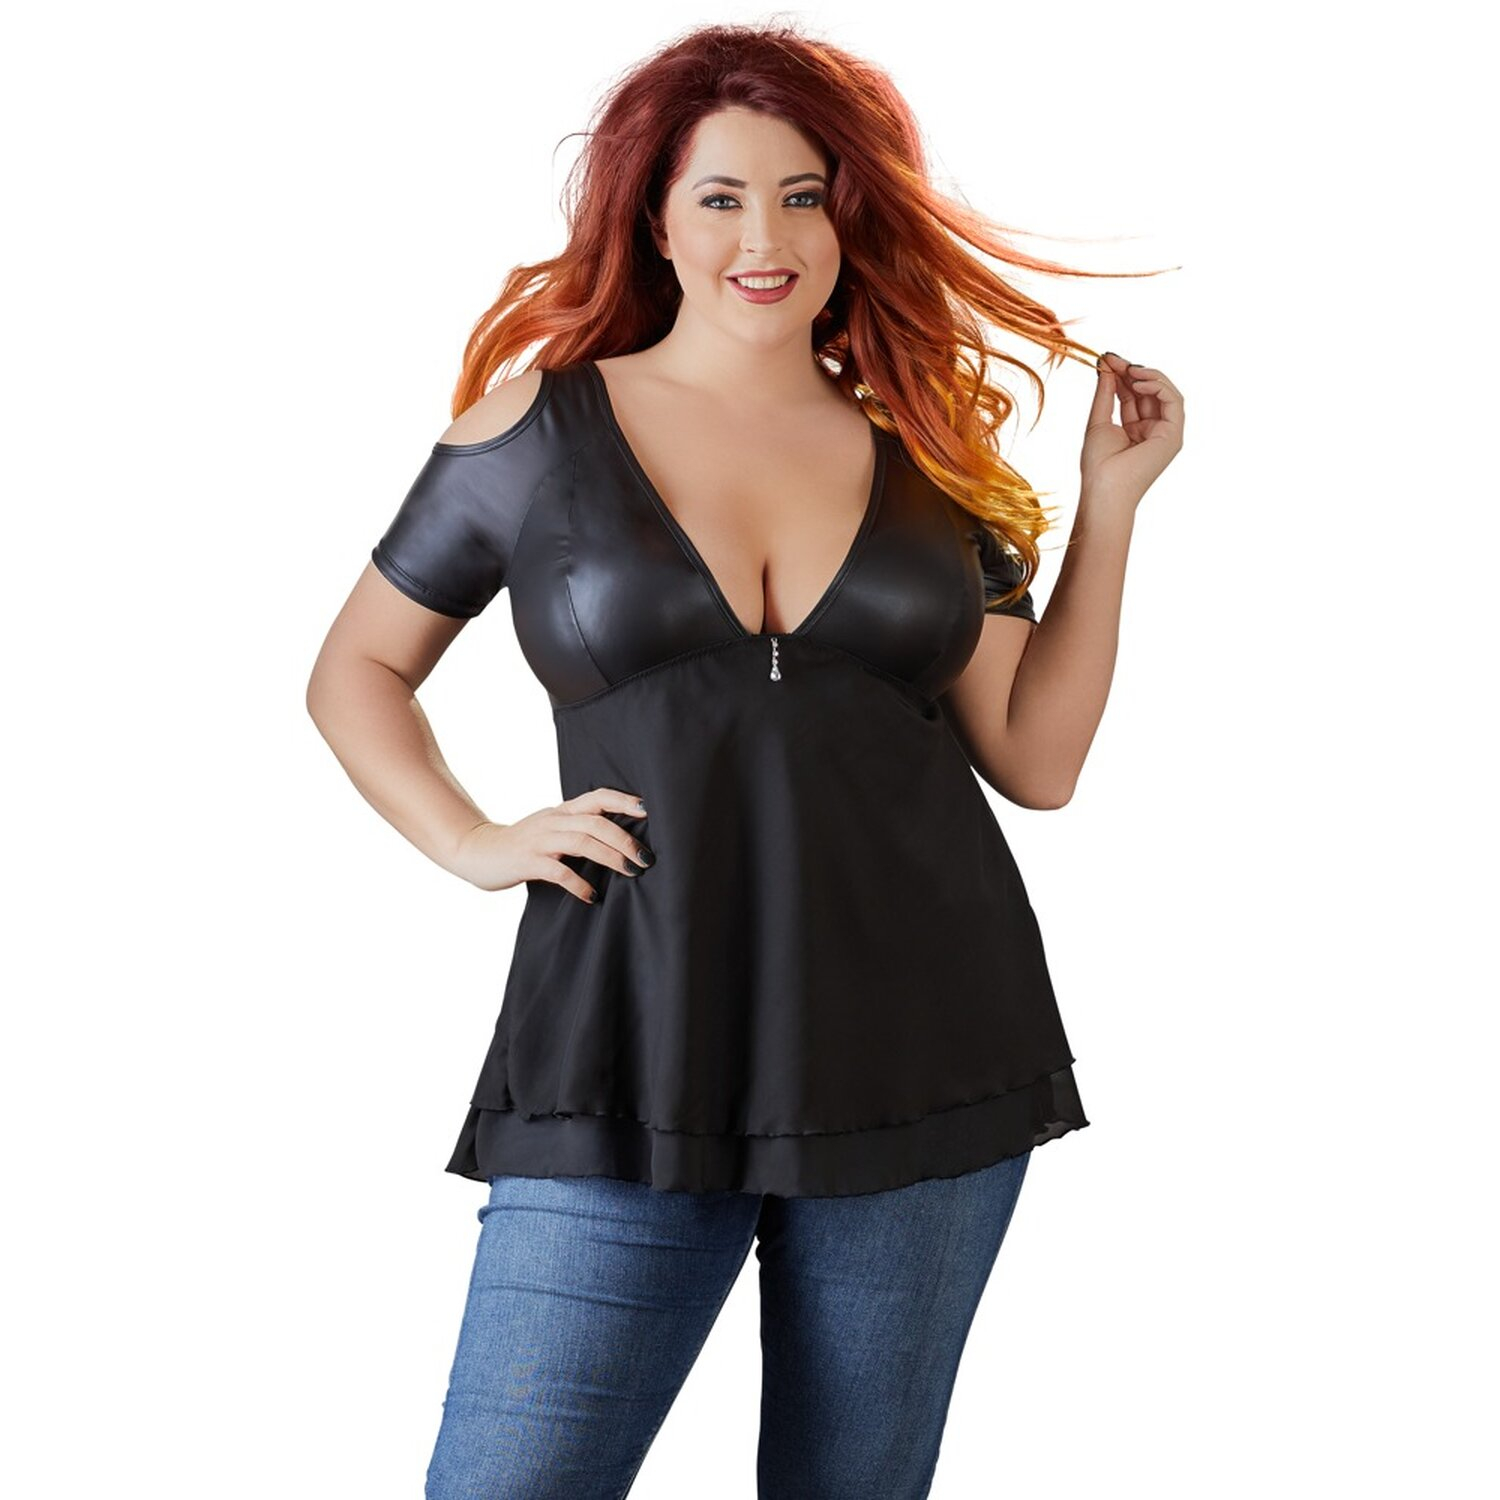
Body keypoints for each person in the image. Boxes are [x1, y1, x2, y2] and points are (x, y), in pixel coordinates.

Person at [306, 20, 1183, 1499]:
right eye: (720, 197)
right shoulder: (539, 429)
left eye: (802, 195)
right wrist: (471, 840)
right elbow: (357, 671)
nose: (763, 239)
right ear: (656, 220)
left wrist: (1111, 508)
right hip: (624, 1044)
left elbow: (1036, 759)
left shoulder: (929, 456)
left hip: (928, 1044)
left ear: (850, 214)